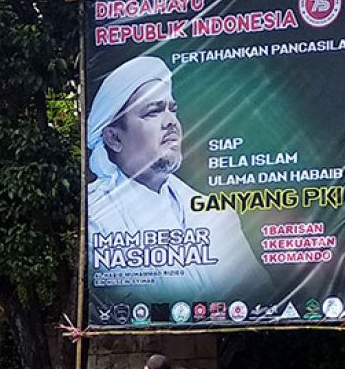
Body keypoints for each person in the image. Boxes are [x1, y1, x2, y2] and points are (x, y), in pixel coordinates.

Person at [86, 55, 271, 305]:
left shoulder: (216, 214)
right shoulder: (96, 217)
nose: (171, 122)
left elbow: (260, 299)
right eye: (153, 112)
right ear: (113, 138)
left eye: (172, 110)